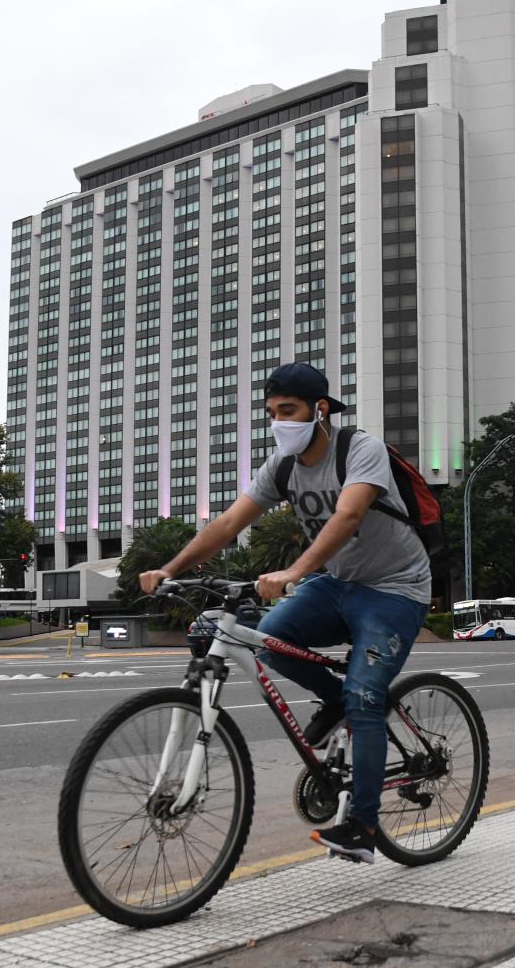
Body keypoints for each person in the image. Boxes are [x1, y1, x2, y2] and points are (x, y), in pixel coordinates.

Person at [138, 362, 431, 864]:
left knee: (366, 697)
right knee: (271, 639)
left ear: (320, 410)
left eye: (288, 411)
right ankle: (337, 702)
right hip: (337, 583)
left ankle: (361, 825)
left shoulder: (361, 449)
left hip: (394, 589)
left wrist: (293, 571)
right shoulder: (282, 467)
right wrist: (170, 567)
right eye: (272, 412)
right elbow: (230, 521)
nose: (279, 422)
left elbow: (349, 514)